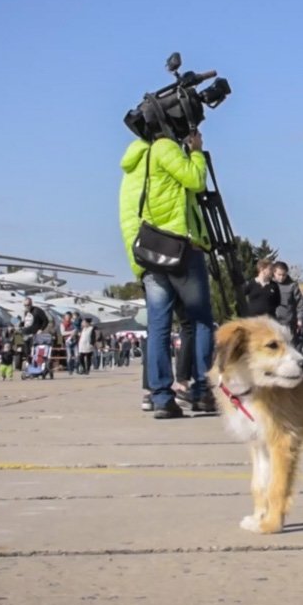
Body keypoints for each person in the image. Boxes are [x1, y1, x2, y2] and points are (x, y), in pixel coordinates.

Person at [118, 126, 217, 419]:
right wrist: (196, 152)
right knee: (200, 321)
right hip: (179, 249)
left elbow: (128, 214)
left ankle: (161, 396)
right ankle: (201, 390)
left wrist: (137, 261)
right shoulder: (164, 148)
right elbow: (196, 181)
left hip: (148, 253)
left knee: (158, 328)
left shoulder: (135, 160)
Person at [272, 261, 303, 341]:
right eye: (279, 275)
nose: (281, 277)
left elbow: (300, 303)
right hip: (273, 321)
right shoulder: (269, 285)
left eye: (284, 275)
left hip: (289, 322)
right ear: (274, 273)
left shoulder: (292, 285)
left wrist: (300, 319)